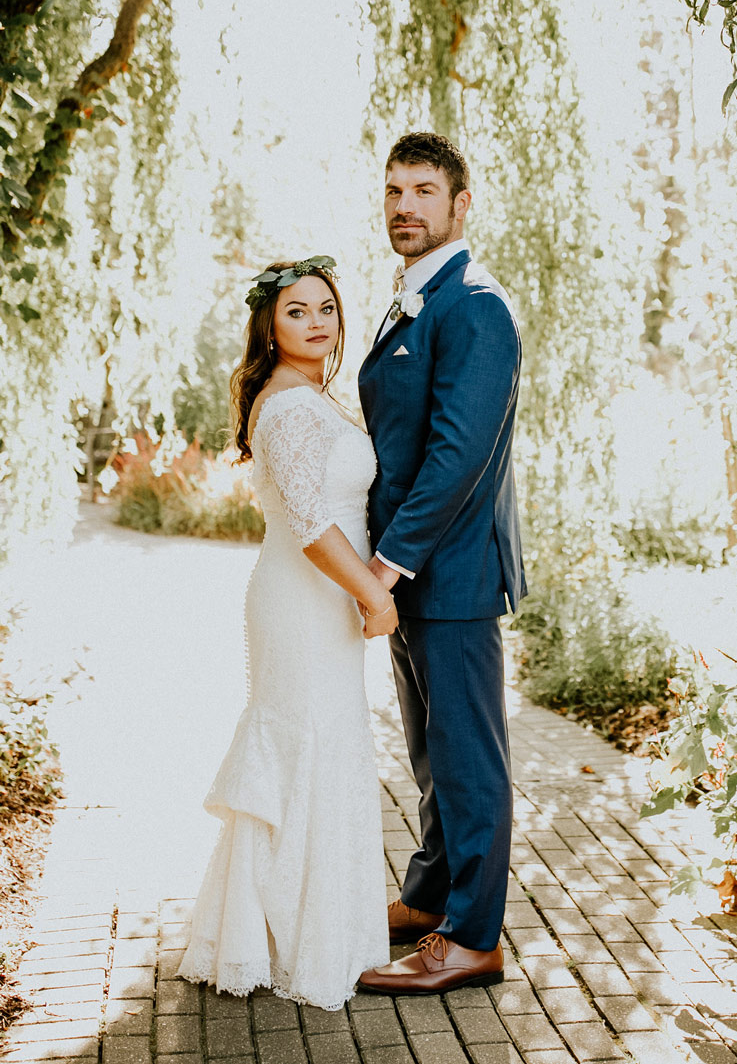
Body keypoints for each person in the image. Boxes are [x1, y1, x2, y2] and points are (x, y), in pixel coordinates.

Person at [178, 256, 393, 1010]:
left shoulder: (314, 396)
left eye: (325, 308)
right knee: (306, 742)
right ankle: (282, 936)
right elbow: (309, 524)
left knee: (324, 745)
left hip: (321, 598)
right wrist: (373, 592)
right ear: (269, 325)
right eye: (297, 310)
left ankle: (302, 926)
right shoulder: (288, 406)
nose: (315, 321)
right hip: (303, 599)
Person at [357, 132, 527, 994]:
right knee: (430, 751)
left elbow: (457, 454)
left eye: (424, 190)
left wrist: (385, 563)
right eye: (393, 190)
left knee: (467, 756)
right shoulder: (412, 299)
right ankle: (429, 897)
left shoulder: (475, 306)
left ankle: (471, 937)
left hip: (447, 572)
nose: (404, 206)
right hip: (411, 574)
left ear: (461, 205)